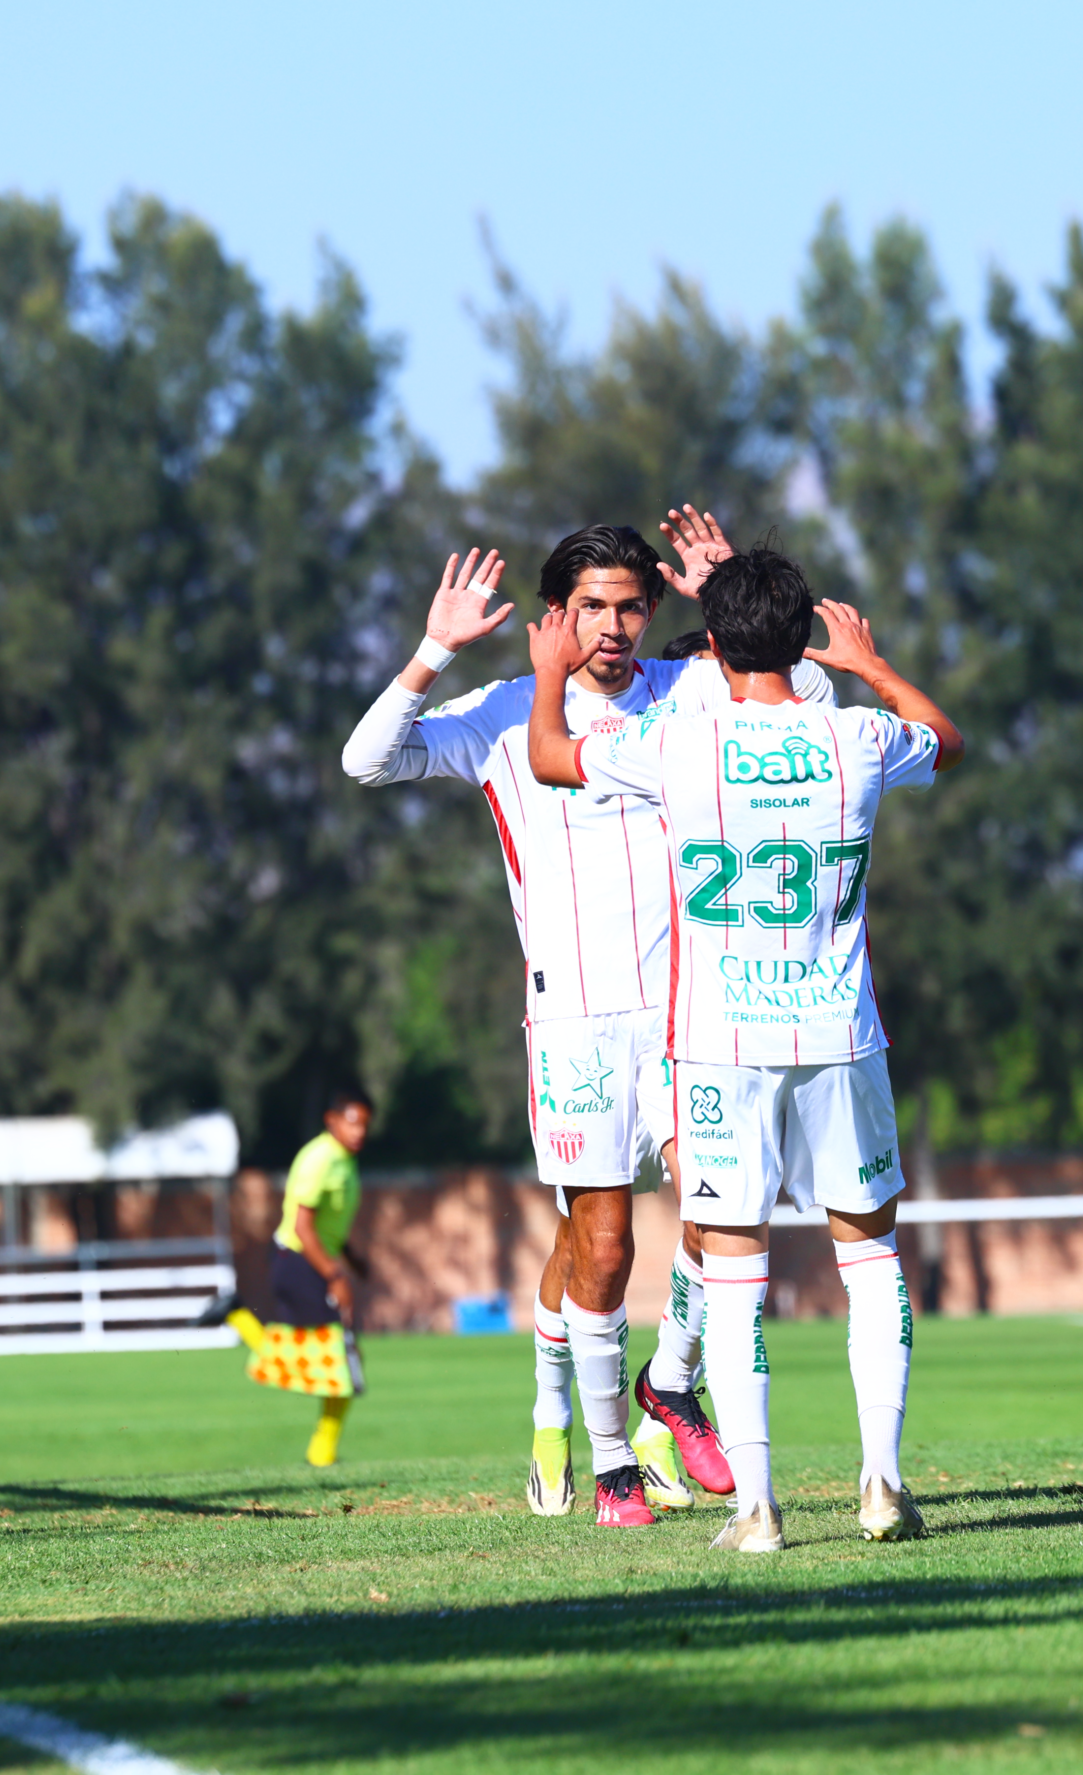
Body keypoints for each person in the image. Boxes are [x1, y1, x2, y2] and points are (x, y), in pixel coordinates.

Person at [338, 511, 829, 1527]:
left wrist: (728, 595)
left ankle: (670, 1380)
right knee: (600, 1249)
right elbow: (365, 761)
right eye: (592, 608)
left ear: (656, 610)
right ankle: (596, 1448)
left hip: (688, 1011)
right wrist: (435, 649)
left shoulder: (690, 690)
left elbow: (810, 695)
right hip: (574, 1023)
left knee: (725, 1202)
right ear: (555, 616)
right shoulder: (502, 713)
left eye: (632, 607)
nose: (613, 627)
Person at [526, 545, 964, 1552]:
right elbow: (944, 738)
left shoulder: (680, 743)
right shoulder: (855, 735)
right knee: (871, 1255)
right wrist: (869, 663)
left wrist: (550, 668)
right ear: (807, 636)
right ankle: (883, 1482)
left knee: (733, 1268)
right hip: (840, 1034)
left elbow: (552, 758)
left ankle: (757, 1508)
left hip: (720, 1043)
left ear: (710, 644)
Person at [224, 1087, 375, 1467]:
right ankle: (321, 1454)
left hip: (311, 1261)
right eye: (353, 1122)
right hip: (300, 1262)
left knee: (334, 1360)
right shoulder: (320, 1159)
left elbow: (329, 1225)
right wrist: (336, 1275)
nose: (360, 1132)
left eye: (365, 1125)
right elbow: (303, 1227)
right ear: (332, 1120)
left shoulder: (344, 1159)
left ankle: (322, 1452)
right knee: (338, 1360)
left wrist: (353, 1258)